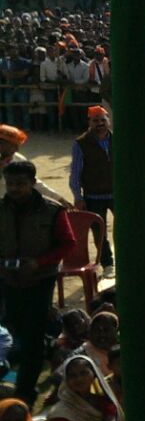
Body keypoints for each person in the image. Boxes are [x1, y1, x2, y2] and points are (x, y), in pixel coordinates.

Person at [0, 159, 75, 404]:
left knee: (32, 336)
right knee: (12, 330)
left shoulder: (53, 211)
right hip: (7, 281)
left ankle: (25, 391)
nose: (14, 189)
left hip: (40, 281)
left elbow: (68, 243)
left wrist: (40, 262)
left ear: (33, 183)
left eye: (20, 184)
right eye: (10, 183)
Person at [69, 106, 114, 277]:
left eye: (103, 120)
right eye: (96, 120)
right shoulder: (80, 143)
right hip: (93, 195)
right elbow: (75, 173)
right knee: (99, 232)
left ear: (108, 120)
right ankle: (108, 264)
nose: (100, 124)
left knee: (123, 229)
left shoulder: (117, 139)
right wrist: (78, 197)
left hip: (117, 194)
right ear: (89, 122)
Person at [0, 124, 71, 206]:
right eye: (14, 146)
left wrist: (59, 198)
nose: (17, 149)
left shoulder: (19, 160)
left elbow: (35, 183)